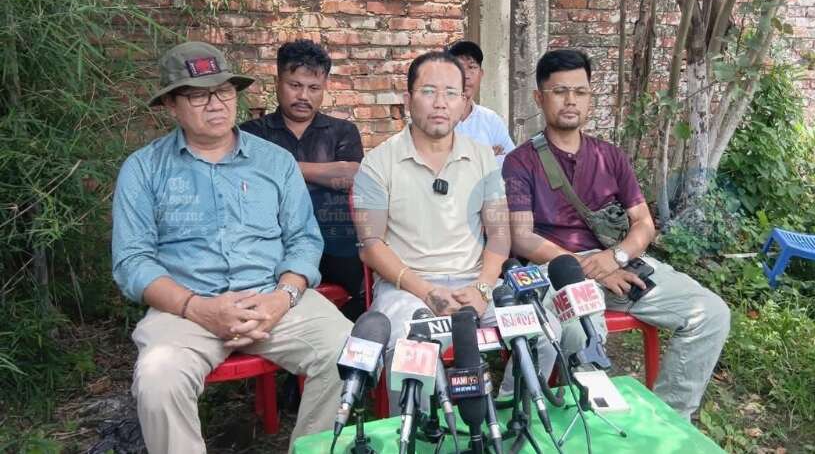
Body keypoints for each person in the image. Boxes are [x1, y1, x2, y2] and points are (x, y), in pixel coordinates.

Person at [112, 41, 352, 453]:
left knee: (348, 351)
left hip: (273, 299)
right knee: (158, 378)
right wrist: (198, 308)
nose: (216, 104)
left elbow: (304, 239)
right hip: (185, 308)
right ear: (171, 105)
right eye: (198, 95)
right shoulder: (144, 169)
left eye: (224, 91)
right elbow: (132, 261)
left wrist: (282, 297)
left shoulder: (274, 161)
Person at [502, 49, 731, 420]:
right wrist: (589, 267)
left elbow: (644, 223)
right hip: (557, 269)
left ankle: (668, 420)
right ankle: (566, 423)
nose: (571, 100)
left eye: (580, 91)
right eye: (560, 91)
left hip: (621, 264)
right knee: (582, 332)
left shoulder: (610, 156)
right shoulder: (520, 161)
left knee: (711, 314)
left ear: (590, 98)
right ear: (539, 98)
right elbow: (522, 237)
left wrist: (615, 257)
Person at [351, 50, 558, 409]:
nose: (440, 103)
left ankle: (511, 413)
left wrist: (482, 287)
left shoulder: (482, 157)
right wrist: (428, 292)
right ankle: (417, 431)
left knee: (546, 332)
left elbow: (499, 234)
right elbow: (371, 244)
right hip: (408, 289)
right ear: (408, 100)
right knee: (409, 352)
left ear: (464, 103)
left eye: (451, 93)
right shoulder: (377, 163)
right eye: (428, 91)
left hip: (475, 283)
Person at [241, 39, 365, 321]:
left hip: (334, 241)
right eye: (295, 85)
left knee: (365, 288)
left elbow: (350, 176)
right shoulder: (251, 134)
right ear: (277, 83)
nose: (303, 96)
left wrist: (282, 169)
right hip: (272, 241)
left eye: (313, 88)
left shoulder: (342, 131)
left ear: (324, 87)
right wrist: (323, 174)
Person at [447, 40, 516, 166]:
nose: (466, 75)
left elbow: (512, 165)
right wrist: (486, 156)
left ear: (481, 74)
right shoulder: (438, 117)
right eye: (459, 68)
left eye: (472, 67)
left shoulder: (491, 120)